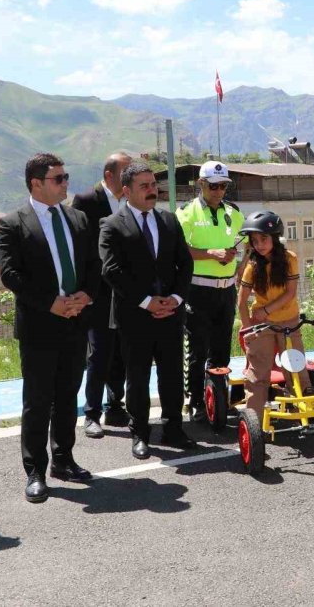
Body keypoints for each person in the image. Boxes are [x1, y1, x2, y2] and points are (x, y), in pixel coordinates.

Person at [0, 153, 99, 504]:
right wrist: (51, 302)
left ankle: (64, 460)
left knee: (68, 398)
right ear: (36, 183)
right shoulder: (13, 223)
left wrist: (86, 295)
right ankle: (36, 470)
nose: (66, 183)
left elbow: (93, 266)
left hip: (75, 322)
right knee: (38, 401)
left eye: (66, 176)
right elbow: (11, 275)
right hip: (40, 326)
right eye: (59, 178)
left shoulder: (79, 219)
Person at [99, 162, 196, 459]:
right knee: (137, 378)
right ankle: (140, 433)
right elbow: (111, 270)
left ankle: (173, 428)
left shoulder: (168, 220)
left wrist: (176, 298)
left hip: (170, 313)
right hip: (135, 316)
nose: (152, 190)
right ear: (127, 191)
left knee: (171, 375)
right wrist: (146, 301)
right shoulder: (112, 224)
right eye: (144, 186)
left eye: (153, 184)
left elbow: (185, 263)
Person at [177, 161, 244, 423]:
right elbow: (179, 249)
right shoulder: (187, 212)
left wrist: (240, 268)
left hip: (226, 291)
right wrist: (210, 254)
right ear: (201, 185)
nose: (219, 191)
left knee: (221, 349)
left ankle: (219, 398)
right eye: (213, 186)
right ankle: (195, 402)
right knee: (197, 349)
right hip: (198, 290)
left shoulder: (234, 212)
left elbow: (246, 243)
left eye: (223, 186)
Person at [72, 152, 132, 438]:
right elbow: (78, 247)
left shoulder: (131, 200)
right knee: (99, 353)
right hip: (98, 291)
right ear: (110, 175)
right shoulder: (85, 201)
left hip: (126, 289)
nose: (131, 177)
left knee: (122, 351)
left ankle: (115, 405)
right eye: (126, 171)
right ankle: (91, 413)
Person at [236, 211, 307, 416]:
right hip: (261, 324)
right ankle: (253, 421)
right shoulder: (252, 266)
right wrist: (247, 327)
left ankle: (302, 413)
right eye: (255, 240)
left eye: (264, 239)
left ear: (275, 237)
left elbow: (290, 293)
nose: (259, 244)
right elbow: (241, 301)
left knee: (296, 368)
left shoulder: (289, 259)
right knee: (259, 374)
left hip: (289, 321)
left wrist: (266, 310)